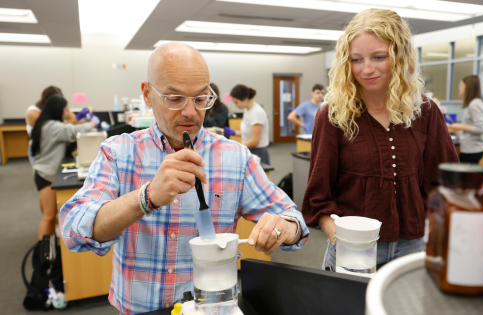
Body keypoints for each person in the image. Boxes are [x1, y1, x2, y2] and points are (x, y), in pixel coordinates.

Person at [59, 42, 309, 315]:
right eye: (175, 99)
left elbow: (294, 221)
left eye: (201, 99)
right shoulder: (119, 153)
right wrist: (146, 197)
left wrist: (282, 227)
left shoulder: (235, 158)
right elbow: (73, 230)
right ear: (147, 94)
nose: (190, 113)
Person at [302, 9, 459, 271]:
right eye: (356, 59)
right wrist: (340, 240)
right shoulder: (332, 115)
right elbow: (318, 197)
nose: (367, 69)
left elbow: (443, 184)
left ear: (399, 57)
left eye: (379, 57)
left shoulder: (425, 111)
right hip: (353, 248)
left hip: (413, 245)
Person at [31, 95, 98, 241]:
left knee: (49, 214)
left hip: (44, 172)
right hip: (46, 174)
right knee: (49, 216)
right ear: (57, 109)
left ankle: (50, 248)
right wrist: (93, 124)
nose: (67, 113)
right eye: (65, 109)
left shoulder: (46, 123)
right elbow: (72, 131)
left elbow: (67, 129)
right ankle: (43, 254)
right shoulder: (53, 127)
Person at [450, 75, 483, 164]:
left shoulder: (474, 104)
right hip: (472, 148)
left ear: (468, 87)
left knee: (466, 177)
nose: (459, 88)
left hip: (472, 149)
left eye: (461, 85)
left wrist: (460, 126)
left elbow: (481, 128)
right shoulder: (476, 102)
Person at [229, 84, 271, 164]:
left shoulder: (256, 112)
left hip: (258, 152)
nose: (235, 105)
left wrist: (236, 147)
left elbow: (255, 141)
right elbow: (249, 132)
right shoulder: (247, 110)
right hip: (249, 149)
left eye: (236, 102)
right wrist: (234, 132)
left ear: (245, 99)